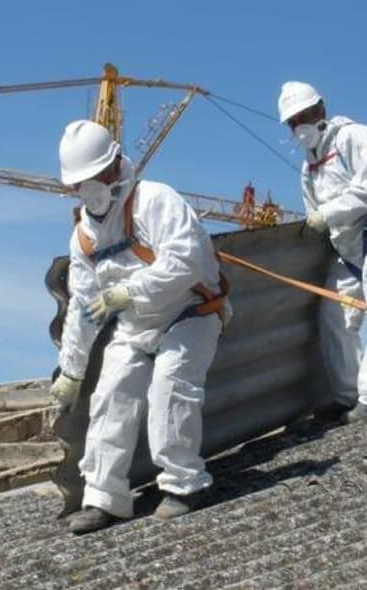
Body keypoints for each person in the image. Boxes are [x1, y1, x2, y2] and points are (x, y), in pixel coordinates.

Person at [50, 120, 229, 535]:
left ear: (115, 167)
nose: (91, 188)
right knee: (110, 396)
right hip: (135, 326)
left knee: (170, 387)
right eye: (81, 183)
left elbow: (184, 263)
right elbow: (82, 307)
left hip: (192, 312)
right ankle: (104, 499)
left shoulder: (156, 200)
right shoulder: (84, 238)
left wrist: (126, 292)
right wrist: (72, 371)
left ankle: (184, 484)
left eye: (96, 177)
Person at [277, 81, 367, 423]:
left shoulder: (358, 138)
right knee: (334, 316)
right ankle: (346, 393)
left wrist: (327, 215)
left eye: (304, 116)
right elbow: (316, 216)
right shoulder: (309, 169)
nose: (299, 126)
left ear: (321, 110)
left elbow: (366, 193)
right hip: (347, 248)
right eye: (293, 122)